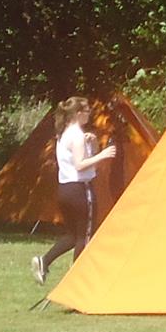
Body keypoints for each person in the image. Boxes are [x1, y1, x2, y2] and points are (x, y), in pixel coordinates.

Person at [34, 97, 116, 284]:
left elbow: (81, 159)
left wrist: (94, 144)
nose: (89, 114)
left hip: (66, 189)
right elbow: (80, 165)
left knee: (73, 235)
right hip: (80, 189)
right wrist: (103, 155)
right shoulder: (77, 135)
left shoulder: (65, 134)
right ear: (78, 113)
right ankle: (77, 281)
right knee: (85, 236)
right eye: (87, 111)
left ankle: (44, 261)